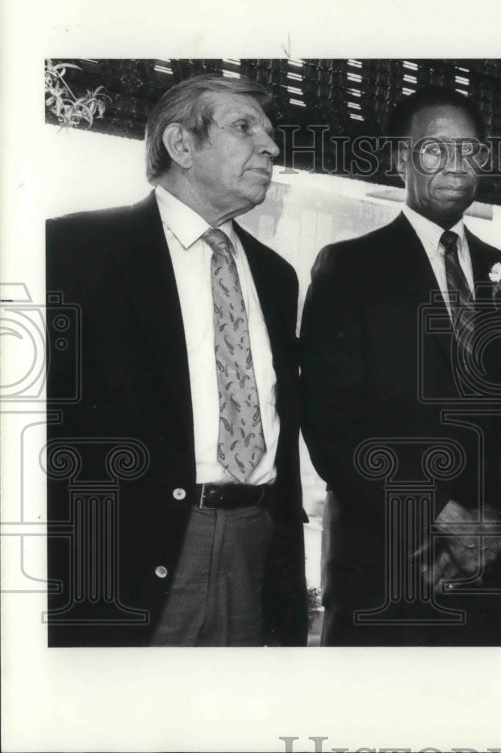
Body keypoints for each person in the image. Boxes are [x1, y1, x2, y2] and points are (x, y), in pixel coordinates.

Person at [46, 74, 307, 646]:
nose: (270, 146)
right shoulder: (72, 251)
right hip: (125, 555)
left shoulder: (276, 276)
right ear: (181, 145)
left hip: (254, 543)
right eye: (244, 128)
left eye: (269, 132)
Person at [301, 87, 501, 645]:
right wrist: (441, 517)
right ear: (398, 159)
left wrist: (497, 528)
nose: (456, 165)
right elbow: (330, 425)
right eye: (435, 149)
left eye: (469, 150)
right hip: (384, 567)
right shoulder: (350, 268)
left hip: (484, 573)